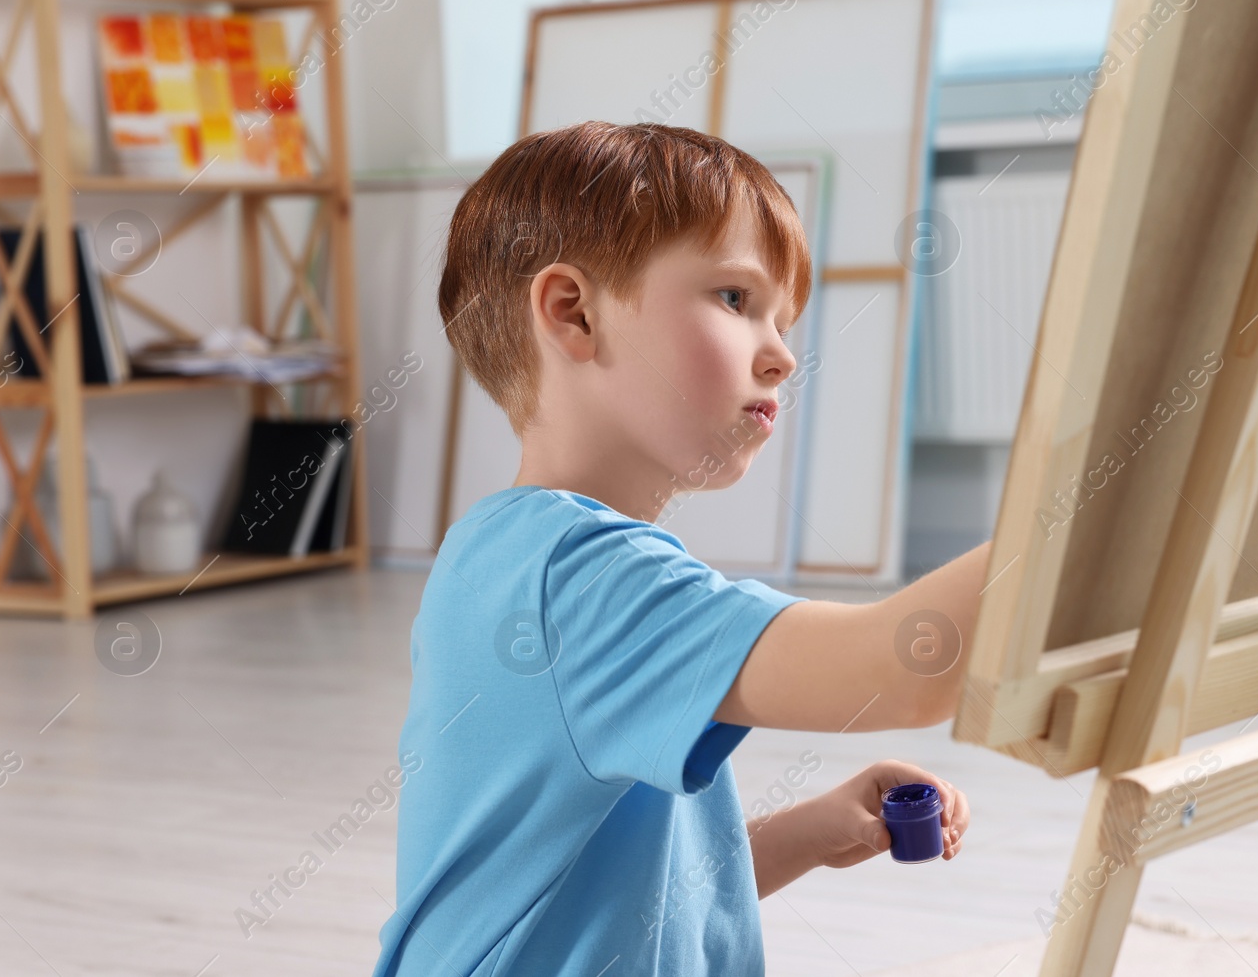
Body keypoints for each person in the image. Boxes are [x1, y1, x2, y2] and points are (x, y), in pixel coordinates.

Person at [372, 121, 986, 976]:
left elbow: (632, 897)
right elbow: (915, 665)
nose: (779, 354)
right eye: (737, 299)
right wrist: (1088, 488)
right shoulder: (577, 578)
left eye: (785, 319)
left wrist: (813, 828)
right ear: (574, 313)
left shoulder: (513, 552)